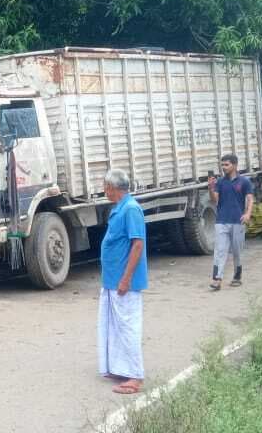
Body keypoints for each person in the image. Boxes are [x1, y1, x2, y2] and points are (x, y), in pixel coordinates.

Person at [97, 169, 147, 395]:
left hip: (124, 281)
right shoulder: (120, 208)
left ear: (113, 188)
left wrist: (126, 279)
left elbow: (137, 245)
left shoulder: (131, 209)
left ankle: (135, 376)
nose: (104, 191)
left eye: (106, 187)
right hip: (112, 279)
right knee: (115, 326)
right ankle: (121, 368)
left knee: (128, 327)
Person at [207, 154, 254, 290]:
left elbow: (250, 199)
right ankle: (217, 279)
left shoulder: (244, 182)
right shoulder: (220, 182)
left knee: (237, 252)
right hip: (221, 221)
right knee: (219, 251)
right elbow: (215, 200)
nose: (224, 167)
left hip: (238, 221)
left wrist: (248, 214)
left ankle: (237, 276)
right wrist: (210, 188)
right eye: (222, 165)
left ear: (235, 165)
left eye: (226, 165)